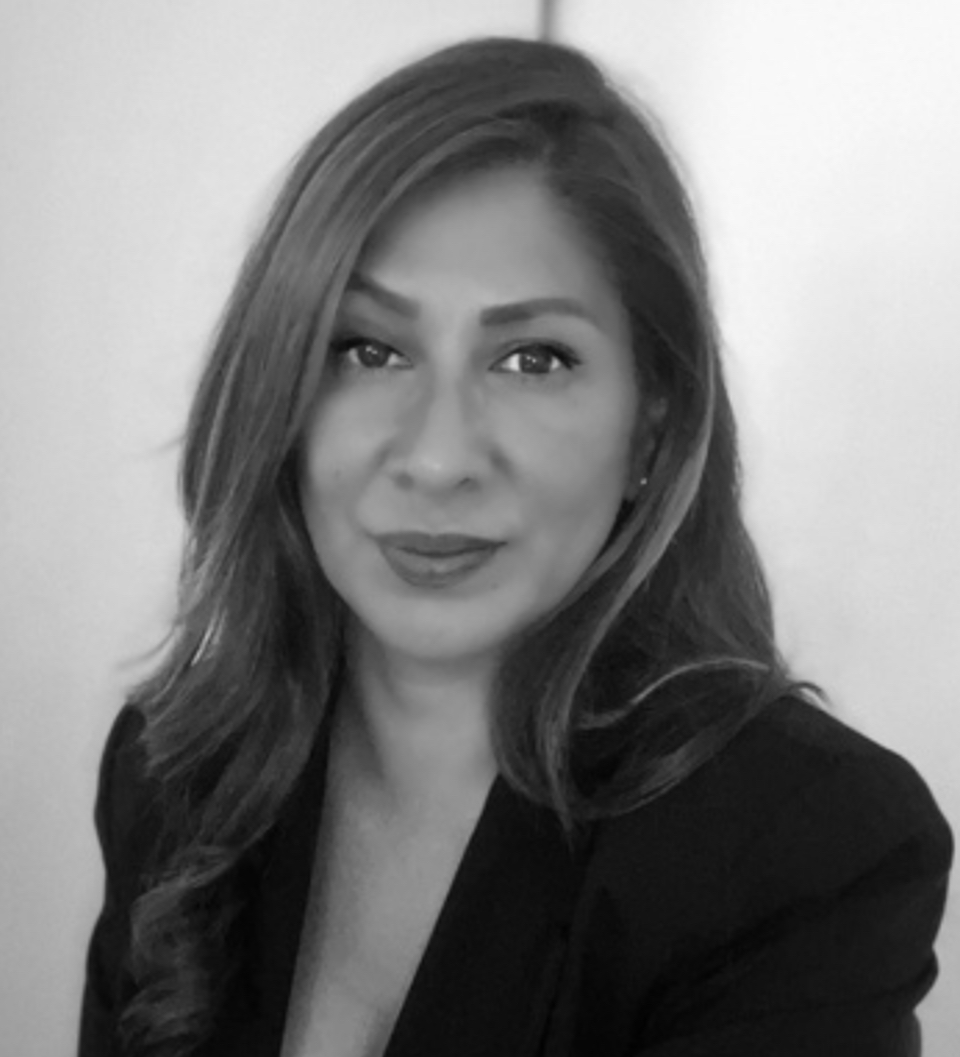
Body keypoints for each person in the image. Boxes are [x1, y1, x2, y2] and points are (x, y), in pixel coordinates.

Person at [78, 36, 952, 1057]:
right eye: (368, 348)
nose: (439, 457)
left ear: (654, 427)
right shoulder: (173, 771)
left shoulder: (803, 848)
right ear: (279, 395)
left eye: (534, 359)